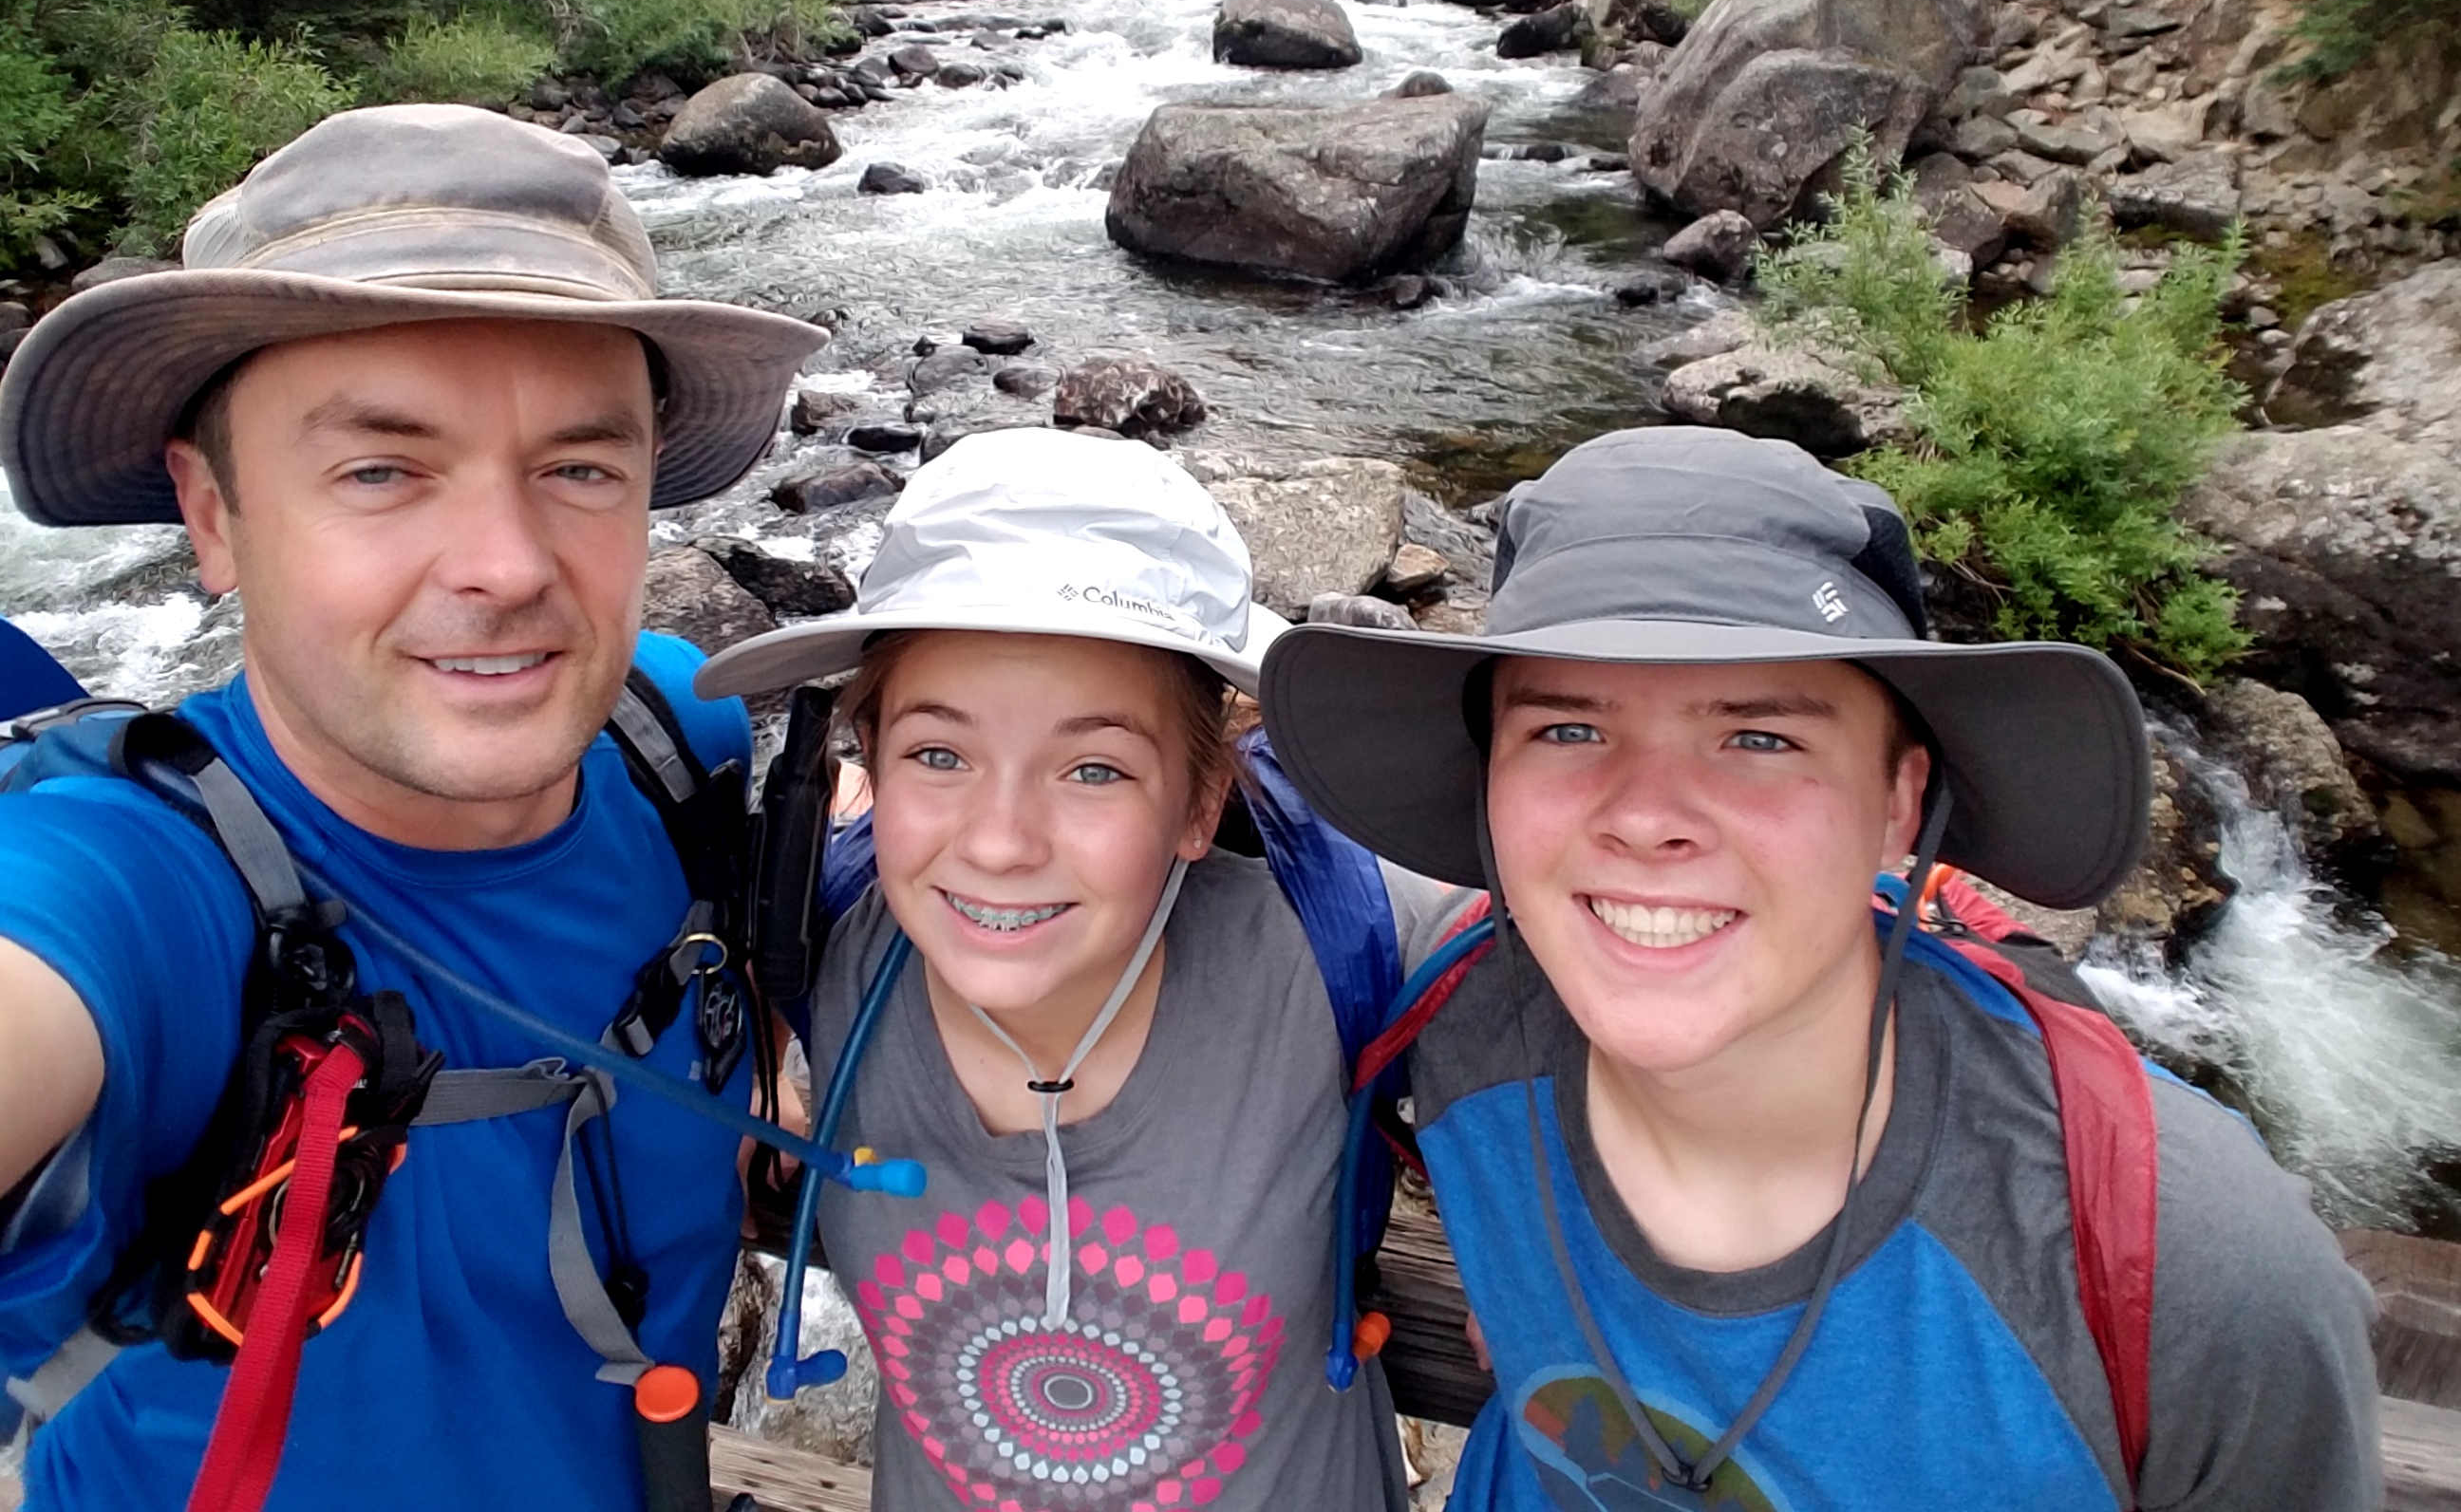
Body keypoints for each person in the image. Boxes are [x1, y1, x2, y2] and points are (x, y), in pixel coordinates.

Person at [1259, 426, 2381, 1512]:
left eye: (1760, 739)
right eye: (1567, 731)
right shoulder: (1469, 1024)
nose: (1647, 820)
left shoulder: (2188, 1272)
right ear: (1490, 786)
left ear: (1900, 803)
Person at [0, 103, 824, 1509]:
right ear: (213, 515)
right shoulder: (123, 878)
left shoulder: (670, 735)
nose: (505, 566)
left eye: (579, 468)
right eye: (381, 470)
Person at [693, 427, 1424, 1512]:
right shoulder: (824, 933)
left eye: (1093, 769)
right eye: (938, 755)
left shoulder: (1333, 950)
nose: (998, 842)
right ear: (872, 761)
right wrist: (760, 1062)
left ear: (1198, 802)